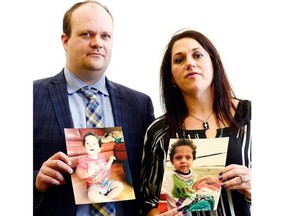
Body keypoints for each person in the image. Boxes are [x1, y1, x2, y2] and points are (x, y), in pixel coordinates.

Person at [33, 1, 155, 216]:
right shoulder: (29, 97)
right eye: (87, 34)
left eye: (105, 36)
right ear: (65, 40)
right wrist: (34, 180)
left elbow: (151, 179)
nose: (97, 43)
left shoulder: (139, 105)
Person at [139, 29, 251, 216]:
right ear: (171, 77)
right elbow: (147, 202)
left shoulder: (254, 116)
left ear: (214, 63)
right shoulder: (158, 131)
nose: (190, 63)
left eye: (197, 55)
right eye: (179, 60)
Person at [76, 131, 123, 202]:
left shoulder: (101, 158)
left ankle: (106, 199)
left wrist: (110, 161)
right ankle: (107, 199)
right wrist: (87, 172)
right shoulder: (83, 160)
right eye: (88, 143)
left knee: (120, 185)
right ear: (84, 148)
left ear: (99, 149)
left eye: (94, 144)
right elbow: (78, 173)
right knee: (91, 194)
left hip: (106, 183)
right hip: (94, 187)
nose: (91, 145)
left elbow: (106, 168)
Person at [160, 138, 198, 215]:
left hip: (190, 209)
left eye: (188, 157)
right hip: (174, 212)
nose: (183, 161)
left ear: (193, 159)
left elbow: (195, 187)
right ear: (172, 161)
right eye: (178, 157)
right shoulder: (168, 176)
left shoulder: (194, 174)